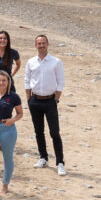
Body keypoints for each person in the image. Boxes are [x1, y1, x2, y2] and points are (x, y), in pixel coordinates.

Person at [24, 34, 66, 176]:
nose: (41, 45)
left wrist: (56, 99)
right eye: (39, 43)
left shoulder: (56, 62)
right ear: (35, 45)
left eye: (43, 43)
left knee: (54, 132)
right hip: (35, 100)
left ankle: (60, 162)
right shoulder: (31, 62)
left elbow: (60, 82)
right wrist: (28, 98)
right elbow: (27, 80)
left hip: (50, 101)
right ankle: (43, 157)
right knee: (38, 131)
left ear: (47, 44)